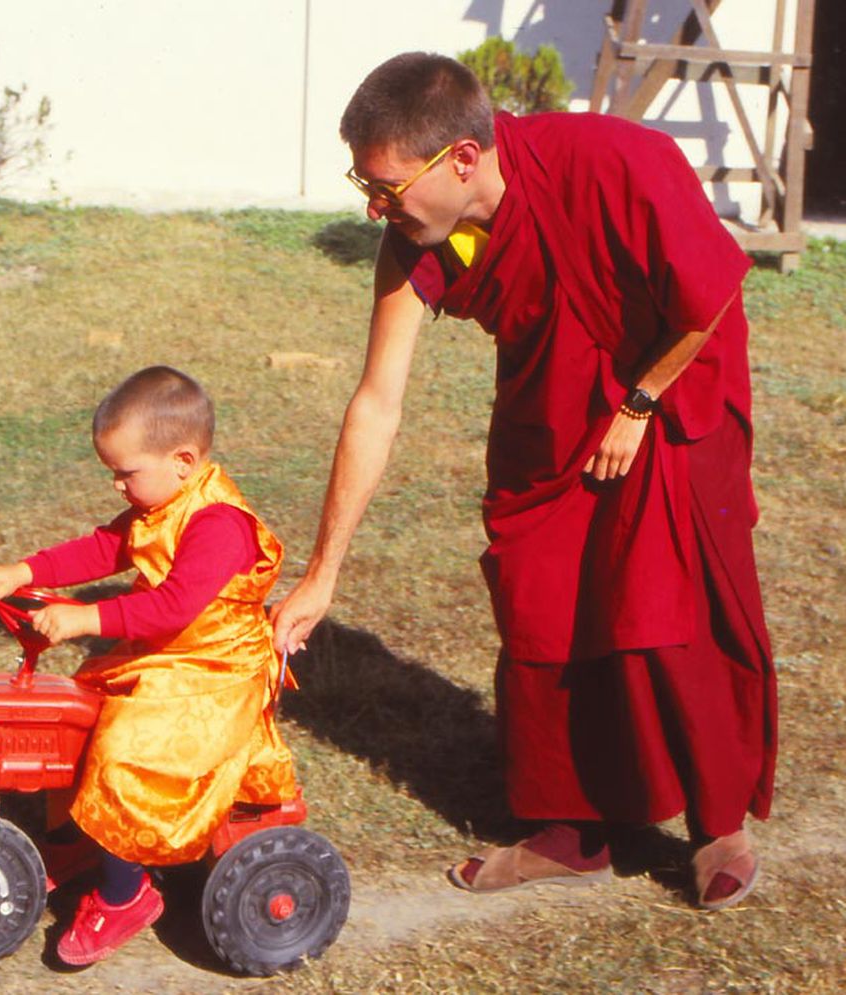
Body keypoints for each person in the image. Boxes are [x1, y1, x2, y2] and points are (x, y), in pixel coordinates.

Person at [270, 52, 775, 911]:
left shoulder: (621, 161)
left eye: (388, 187)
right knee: (539, 596)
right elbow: (376, 401)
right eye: (365, 184)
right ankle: (570, 831)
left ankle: (718, 823)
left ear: (460, 159)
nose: (374, 206)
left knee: (664, 608)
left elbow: (711, 294)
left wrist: (639, 403)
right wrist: (323, 573)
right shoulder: (415, 239)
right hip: (550, 407)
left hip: (673, 389)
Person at [0, 365, 296, 966]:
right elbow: (104, 546)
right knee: (75, 710)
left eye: (126, 474)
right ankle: (77, 838)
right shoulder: (162, 504)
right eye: (113, 474)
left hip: (214, 674)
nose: (118, 487)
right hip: (172, 657)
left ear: (182, 459)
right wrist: (27, 571)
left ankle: (126, 895)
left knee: (126, 752)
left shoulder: (220, 525)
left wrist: (83, 619)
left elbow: (173, 605)